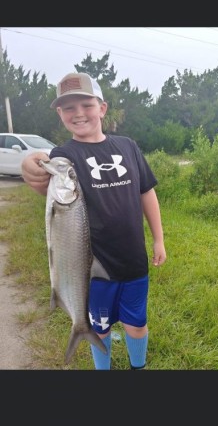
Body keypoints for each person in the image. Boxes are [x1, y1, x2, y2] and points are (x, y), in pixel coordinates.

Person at [21, 72, 167, 370]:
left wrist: (158, 238)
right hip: (92, 269)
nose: (78, 114)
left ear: (102, 107)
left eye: (86, 104)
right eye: (68, 108)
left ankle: (138, 368)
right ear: (60, 114)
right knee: (98, 328)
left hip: (134, 262)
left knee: (136, 324)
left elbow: (147, 193)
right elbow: (43, 169)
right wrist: (29, 162)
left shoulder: (128, 146)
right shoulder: (65, 154)